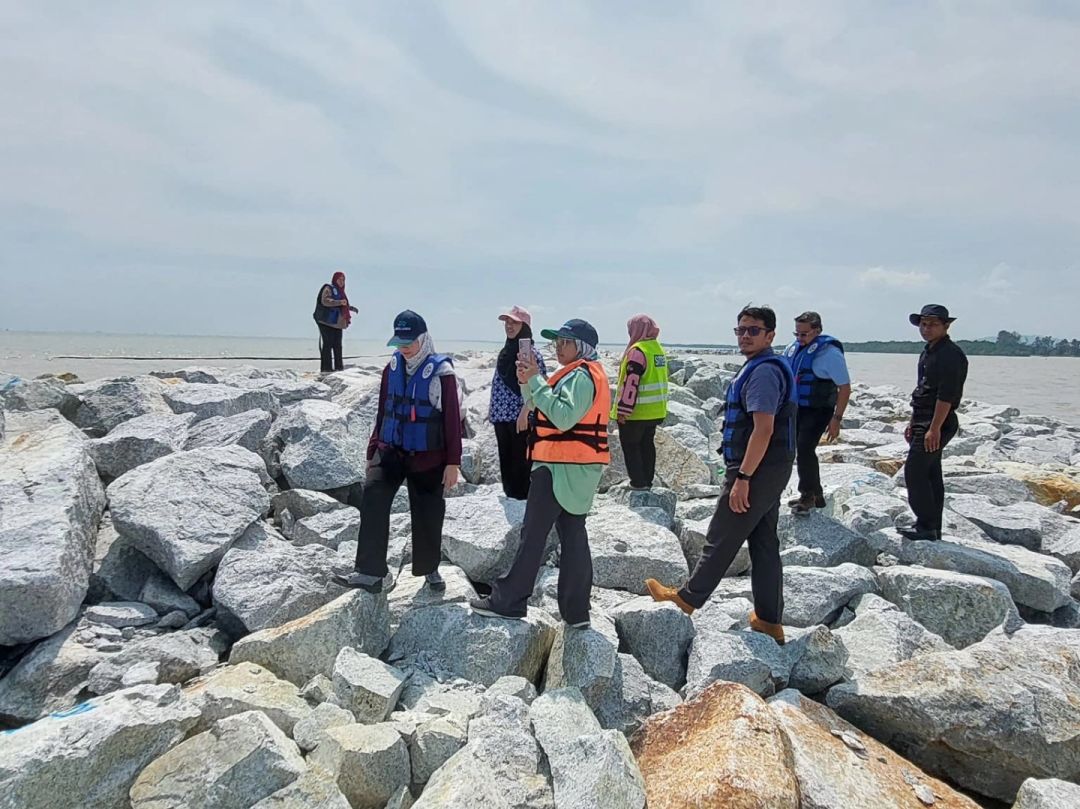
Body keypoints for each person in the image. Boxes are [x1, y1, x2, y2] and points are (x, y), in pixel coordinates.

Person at [645, 305, 796, 645]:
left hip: (756, 468)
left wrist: (743, 477)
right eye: (740, 330)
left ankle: (687, 599)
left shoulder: (763, 373)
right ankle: (770, 619)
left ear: (770, 335)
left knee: (723, 533)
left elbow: (763, 429)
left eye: (753, 330)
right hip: (771, 468)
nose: (745, 336)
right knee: (763, 542)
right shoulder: (762, 367)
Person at [470, 319, 610, 628]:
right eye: (557, 342)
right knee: (573, 536)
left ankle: (509, 601)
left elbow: (561, 417)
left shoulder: (582, 378)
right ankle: (576, 613)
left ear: (582, 347)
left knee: (532, 535)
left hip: (559, 467)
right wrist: (527, 379)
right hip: (574, 468)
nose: (559, 347)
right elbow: (538, 403)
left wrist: (535, 379)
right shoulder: (576, 375)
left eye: (566, 342)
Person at [334, 310, 462, 593]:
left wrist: (453, 462)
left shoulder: (442, 374)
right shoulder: (391, 368)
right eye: (399, 341)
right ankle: (370, 573)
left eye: (409, 341)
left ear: (424, 338)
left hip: (427, 455)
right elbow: (384, 410)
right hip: (390, 450)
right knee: (373, 493)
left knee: (428, 511)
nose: (403, 347)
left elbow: (452, 420)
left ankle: (430, 568)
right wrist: (372, 450)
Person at [900, 304, 968, 541]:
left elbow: (946, 395)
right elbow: (922, 390)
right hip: (922, 418)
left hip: (937, 420)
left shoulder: (951, 354)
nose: (926, 329)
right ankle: (932, 526)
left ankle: (926, 526)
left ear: (946, 326)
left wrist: (934, 428)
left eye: (933, 324)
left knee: (914, 472)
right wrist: (912, 422)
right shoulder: (929, 351)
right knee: (930, 473)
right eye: (924, 324)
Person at [781, 311, 852, 515]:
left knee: (805, 448)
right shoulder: (792, 349)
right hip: (797, 408)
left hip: (819, 409)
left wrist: (836, 419)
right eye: (797, 334)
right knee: (793, 448)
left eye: (804, 334)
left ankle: (809, 495)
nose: (800, 338)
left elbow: (844, 388)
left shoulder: (830, 354)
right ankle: (815, 494)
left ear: (817, 331)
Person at [489, 305, 548, 499]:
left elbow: (540, 385)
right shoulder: (506, 352)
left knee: (520, 460)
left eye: (514, 322)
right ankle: (511, 496)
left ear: (525, 326)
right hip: (501, 415)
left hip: (521, 416)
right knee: (506, 458)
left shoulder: (531, 354)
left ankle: (522, 499)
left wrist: (526, 411)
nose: (509, 325)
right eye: (507, 322)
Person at [612, 314, 669, 490]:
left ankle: (638, 483)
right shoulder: (657, 349)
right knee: (647, 445)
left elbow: (631, 383)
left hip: (637, 412)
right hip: (655, 411)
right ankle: (647, 481)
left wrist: (623, 410)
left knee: (631, 446)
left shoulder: (637, 351)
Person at [312, 271, 358, 373]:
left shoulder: (341, 292)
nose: (341, 282)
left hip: (337, 323)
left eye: (343, 280)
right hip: (326, 321)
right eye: (340, 279)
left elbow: (342, 306)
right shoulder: (329, 288)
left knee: (338, 345)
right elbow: (325, 301)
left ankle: (339, 368)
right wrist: (339, 302)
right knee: (327, 345)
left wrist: (350, 308)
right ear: (335, 279)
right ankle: (326, 369)